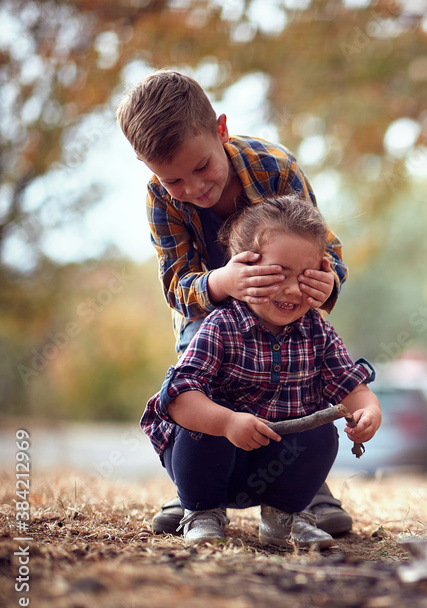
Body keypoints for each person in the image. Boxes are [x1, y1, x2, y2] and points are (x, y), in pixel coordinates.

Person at [116, 70, 354, 535]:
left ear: (221, 130)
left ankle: (305, 490)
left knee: (299, 373)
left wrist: (327, 283)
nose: (192, 188)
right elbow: (178, 286)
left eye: (201, 167)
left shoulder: (274, 168)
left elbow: (322, 248)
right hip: (207, 307)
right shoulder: (162, 199)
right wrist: (225, 281)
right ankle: (196, 493)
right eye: (173, 179)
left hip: (283, 301)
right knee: (200, 385)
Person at [140, 195, 381, 547]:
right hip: (212, 461)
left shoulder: (317, 331)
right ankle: (202, 513)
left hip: (273, 465)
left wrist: (368, 410)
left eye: (304, 276)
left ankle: (283, 517)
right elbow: (177, 399)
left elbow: (351, 386)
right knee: (198, 431)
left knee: (322, 433)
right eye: (277, 274)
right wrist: (226, 422)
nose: (291, 289)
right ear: (245, 269)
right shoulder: (220, 326)